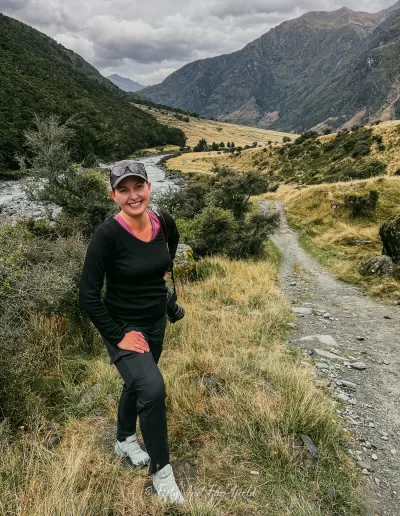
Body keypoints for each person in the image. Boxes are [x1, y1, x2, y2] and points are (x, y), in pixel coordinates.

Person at [79, 160, 184, 504]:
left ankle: (125, 438)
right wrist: (118, 335)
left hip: (156, 321)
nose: (133, 195)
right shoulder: (107, 235)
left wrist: (164, 277)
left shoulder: (163, 221)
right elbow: (88, 296)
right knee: (152, 389)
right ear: (114, 195)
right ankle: (162, 472)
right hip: (124, 327)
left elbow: (170, 250)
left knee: (136, 383)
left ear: (149, 188)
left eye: (138, 186)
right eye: (124, 189)